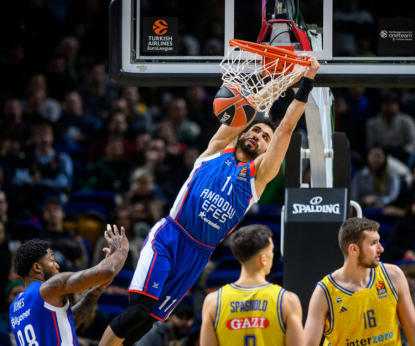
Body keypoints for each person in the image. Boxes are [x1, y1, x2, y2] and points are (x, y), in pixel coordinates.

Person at [99, 54, 320, 345]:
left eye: (265, 136)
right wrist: (279, 81)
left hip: (199, 254)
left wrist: (306, 82)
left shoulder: (259, 177)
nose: (257, 134)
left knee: (147, 323)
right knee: (138, 310)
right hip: (170, 236)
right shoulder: (216, 149)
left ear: (269, 150)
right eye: (254, 129)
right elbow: (247, 110)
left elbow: (287, 128)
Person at [303, 217, 415, 346]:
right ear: (354, 249)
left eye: (379, 242)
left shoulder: (393, 276)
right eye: (373, 243)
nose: (381, 248)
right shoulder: (324, 292)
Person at [9, 224, 129, 345]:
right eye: (52, 260)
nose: (57, 265)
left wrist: (98, 288)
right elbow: (108, 270)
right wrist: (122, 249)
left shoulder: (14, 308)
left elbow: (66, 325)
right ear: (37, 267)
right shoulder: (48, 288)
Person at [200, 224, 304, 346]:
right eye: (271, 251)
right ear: (263, 259)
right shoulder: (287, 301)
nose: (273, 255)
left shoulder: (213, 302)